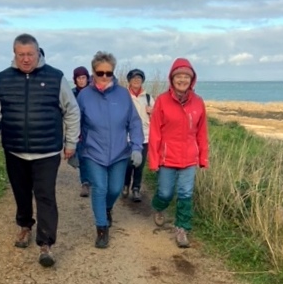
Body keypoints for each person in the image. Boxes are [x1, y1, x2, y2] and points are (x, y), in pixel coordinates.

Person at [0, 33, 80, 267]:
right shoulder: (2, 79)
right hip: (15, 150)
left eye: (30, 54)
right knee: (21, 193)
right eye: (21, 54)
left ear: (38, 53)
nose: (26, 59)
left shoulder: (55, 78)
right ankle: (25, 226)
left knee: (45, 196)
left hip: (46, 152)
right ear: (14, 54)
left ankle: (46, 244)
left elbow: (72, 110)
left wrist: (71, 142)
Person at [77, 51, 144, 248]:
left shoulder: (123, 94)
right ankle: (101, 228)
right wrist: (72, 147)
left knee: (114, 189)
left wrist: (137, 147)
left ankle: (107, 208)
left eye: (109, 73)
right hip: (93, 151)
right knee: (100, 187)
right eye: (100, 73)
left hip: (119, 153)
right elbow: (76, 123)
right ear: (93, 72)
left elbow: (134, 122)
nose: (104, 77)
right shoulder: (84, 96)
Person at [148, 58, 209, 248]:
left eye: (186, 77)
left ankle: (182, 228)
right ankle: (159, 207)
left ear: (192, 80)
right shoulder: (162, 101)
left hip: (189, 158)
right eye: (179, 76)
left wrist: (203, 158)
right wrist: (154, 160)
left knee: (185, 193)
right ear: (172, 79)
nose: (182, 80)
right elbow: (155, 132)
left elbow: (202, 132)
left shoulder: (198, 103)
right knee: (165, 193)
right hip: (168, 157)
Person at [122, 68, 154, 202]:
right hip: (128, 137)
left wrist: (152, 112)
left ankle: (136, 189)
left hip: (145, 136)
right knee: (128, 164)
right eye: (134, 78)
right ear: (129, 80)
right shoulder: (124, 96)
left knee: (139, 166)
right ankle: (125, 185)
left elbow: (157, 117)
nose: (136, 81)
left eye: (139, 78)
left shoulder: (148, 97)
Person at [71, 66, 90, 197]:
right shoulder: (72, 94)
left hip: (92, 129)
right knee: (82, 157)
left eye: (83, 77)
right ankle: (85, 183)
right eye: (79, 78)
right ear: (75, 80)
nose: (81, 80)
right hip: (78, 130)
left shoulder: (93, 92)